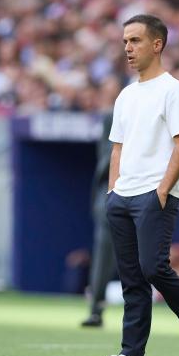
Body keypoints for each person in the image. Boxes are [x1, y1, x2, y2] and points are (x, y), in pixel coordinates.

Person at [83, 15, 179, 356]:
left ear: (157, 44)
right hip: (122, 195)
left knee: (154, 268)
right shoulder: (126, 94)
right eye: (125, 41)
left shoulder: (174, 91)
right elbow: (117, 149)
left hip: (154, 195)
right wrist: (114, 190)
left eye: (136, 40)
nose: (127, 48)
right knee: (132, 280)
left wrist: (162, 190)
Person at [81, 113, 118, 327]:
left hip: (145, 192)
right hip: (112, 193)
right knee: (104, 254)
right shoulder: (111, 117)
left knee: (148, 259)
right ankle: (96, 309)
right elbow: (108, 157)